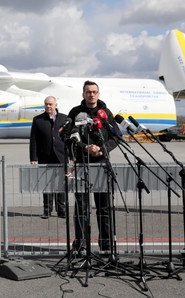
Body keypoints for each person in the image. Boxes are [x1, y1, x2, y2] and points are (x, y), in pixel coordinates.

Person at [66, 81, 119, 253]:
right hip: (81, 163)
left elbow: (116, 137)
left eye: (94, 92)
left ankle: (106, 244)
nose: (91, 95)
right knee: (81, 207)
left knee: (103, 207)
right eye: (88, 92)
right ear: (83, 94)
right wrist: (85, 148)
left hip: (101, 164)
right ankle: (81, 243)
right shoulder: (75, 113)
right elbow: (69, 138)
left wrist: (101, 149)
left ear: (98, 93)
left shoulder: (106, 113)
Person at [29, 96, 69, 219]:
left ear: (56, 104)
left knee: (61, 184)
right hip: (45, 156)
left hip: (61, 156)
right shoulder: (38, 120)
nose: (48, 106)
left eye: (50, 104)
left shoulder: (64, 118)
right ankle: (47, 209)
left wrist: (71, 156)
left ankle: (61, 209)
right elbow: (33, 140)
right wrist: (33, 158)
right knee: (46, 184)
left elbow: (69, 138)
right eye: (46, 104)